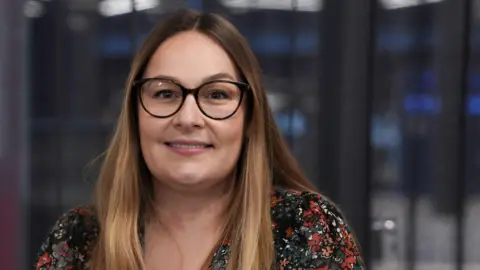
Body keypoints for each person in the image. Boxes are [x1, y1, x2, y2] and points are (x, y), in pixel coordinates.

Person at [35, 9, 365, 270]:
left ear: (250, 118)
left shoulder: (306, 227)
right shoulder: (79, 238)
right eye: (165, 93)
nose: (189, 118)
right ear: (135, 115)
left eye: (217, 94)